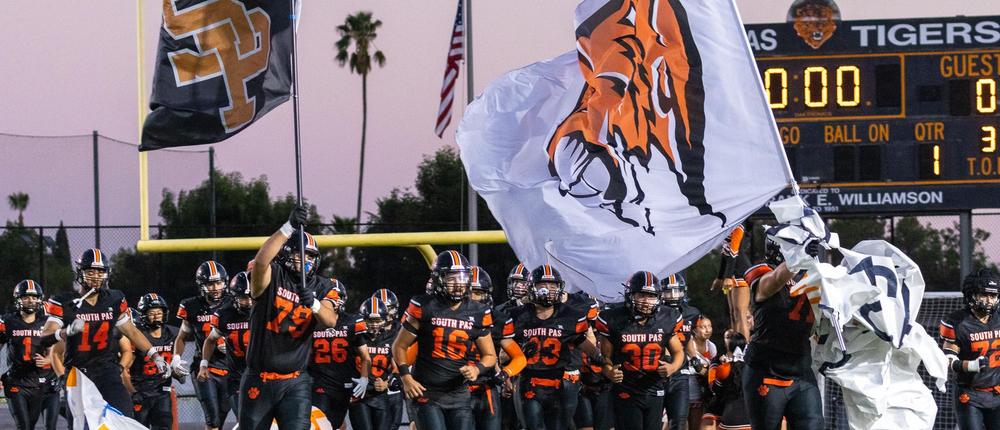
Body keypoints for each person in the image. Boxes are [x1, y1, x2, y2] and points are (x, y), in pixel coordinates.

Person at [239, 207, 340, 429]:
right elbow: (262, 262)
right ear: (286, 253)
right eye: (299, 254)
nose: (305, 260)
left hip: (295, 380)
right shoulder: (273, 275)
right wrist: (288, 227)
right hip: (259, 377)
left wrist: (313, 303)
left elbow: (330, 320)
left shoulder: (323, 286)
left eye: (311, 256)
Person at [40, 248, 170, 418]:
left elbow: (131, 330)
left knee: (124, 416)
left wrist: (155, 355)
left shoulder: (114, 299)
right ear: (80, 273)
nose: (96, 276)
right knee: (82, 423)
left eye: (100, 272)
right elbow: (44, 337)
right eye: (90, 271)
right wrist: (64, 332)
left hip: (107, 370)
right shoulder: (65, 302)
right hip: (78, 371)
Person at [392, 250, 498, 430]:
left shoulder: (478, 311)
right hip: (427, 392)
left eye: (462, 278)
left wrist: (476, 368)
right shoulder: (425, 306)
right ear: (438, 279)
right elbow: (399, 346)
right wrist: (406, 377)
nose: (458, 284)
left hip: (459, 393)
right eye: (451, 278)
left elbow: (490, 355)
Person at [740, 234, 823, 430]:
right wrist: (795, 259)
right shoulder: (762, 272)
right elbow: (774, 280)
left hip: (801, 371)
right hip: (766, 370)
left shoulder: (813, 276)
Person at [509, 264, 603, 430]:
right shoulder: (517, 315)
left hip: (560, 383)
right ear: (531, 287)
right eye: (542, 285)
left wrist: (604, 362)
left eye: (552, 286)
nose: (548, 290)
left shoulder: (570, 315)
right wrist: (517, 355)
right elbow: (503, 353)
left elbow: (587, 345)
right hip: (528, 382)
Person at [596, 271, 685, 430]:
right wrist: (609, 371)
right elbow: (605, 356)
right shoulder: (614, 319)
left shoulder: (666, 318)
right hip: (626, 387)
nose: (646, 301)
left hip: (654, 386)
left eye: (651, 296)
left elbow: (678, 352)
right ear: (630, 295)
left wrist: (672, 367)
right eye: (641, 295)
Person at [173, 260, 233, 430]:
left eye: (219, 282)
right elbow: (182, 337)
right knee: (212, 419)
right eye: (211, 284)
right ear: (202, 285)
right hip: (205, 369)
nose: (216, 288)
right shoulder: (191, 306)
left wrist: (230, 344)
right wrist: (176, 358)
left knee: (219, 419)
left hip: (231, 370)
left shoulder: (233, 303)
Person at [467, 266, 527, 430]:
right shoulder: (442, 316)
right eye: (469, 291)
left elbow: (519, 358)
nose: (472, 297)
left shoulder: (498, 319)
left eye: (478, 293)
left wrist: (504, 375)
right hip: (452, 388)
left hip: (485, 386)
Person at [940, 268, 1000, 430]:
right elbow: (948, 359)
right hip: (970, 395)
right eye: (984, 295)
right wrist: (970, 365)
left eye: (993, 295)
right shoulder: (958, 322)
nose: (989, 300)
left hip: (997, 392)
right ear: (971, 294)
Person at [310, 278, 371, 428]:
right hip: (319, 383)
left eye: (336, 296)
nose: (334, 301)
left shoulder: (352, 322)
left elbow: (365, 357)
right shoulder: (311, 321)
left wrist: (364, 378)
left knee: (336, 424)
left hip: (343, 384)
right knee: (322, 424)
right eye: (329, 297)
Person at [1, 280, 59, 430]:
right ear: (18, 299)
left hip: (37, 383)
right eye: (26, 297)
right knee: (24, 427)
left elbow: (58, 346)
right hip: (16, 381)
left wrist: (48, 359)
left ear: (40, 299)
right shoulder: (8, 321)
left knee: (31, 426)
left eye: (34, 297)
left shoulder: (47, 322)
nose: (30, 301)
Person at [198, 271, 254, 417]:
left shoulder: (264, 311)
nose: (248, 302)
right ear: (234, 296)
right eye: (243, 298)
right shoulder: (225, 314)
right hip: (237, 376)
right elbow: (210, 340)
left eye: (251, 297)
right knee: (244, 419)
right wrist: (204, 364)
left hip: (261, 374)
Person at [121, 293, 179, 430]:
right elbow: (124, 370)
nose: (156, 316)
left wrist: (177, 370)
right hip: (141, 392)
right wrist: (132, 392)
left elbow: (174, 359)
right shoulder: (139, 337)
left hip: (162, 391)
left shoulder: (173, 333)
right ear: (143, 315)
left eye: (159, 312)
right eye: (152, 313)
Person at [350, 297, 399, 430]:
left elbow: (399, 369)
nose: (374, 324)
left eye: (378, 320)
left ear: (385, 319)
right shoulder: (355, 336)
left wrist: (387, 384)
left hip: (380, 396)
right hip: (359, 396)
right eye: (370, 320)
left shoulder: (392, 338)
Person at [661, 273, 701, 430]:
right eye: (668, 291)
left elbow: (688, 335)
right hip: (658, 370)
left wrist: (694, 357)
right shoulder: (656, 313)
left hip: (680, 371)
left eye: (676, 291)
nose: (672, 296)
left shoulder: (691, 313)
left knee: (679, 419)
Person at [495, 263, 531, 430]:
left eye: (522, 282)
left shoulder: (538, 310)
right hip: (506, 370)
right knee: (507, 421)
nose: (517, 286)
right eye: (515, 282)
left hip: (532, 370)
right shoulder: (501, 310)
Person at [702, 331, 750, 430]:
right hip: (750, 414)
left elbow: (715, 389)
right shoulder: (753, 367)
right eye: (727, 336)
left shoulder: (724, 368)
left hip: (731, 414)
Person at [371, 288, 405, 429]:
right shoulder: (367, 331)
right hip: (370, 389)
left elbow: (408, 362)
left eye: (389, 308)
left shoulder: (402, 330)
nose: (386, 312)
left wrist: (389, 382)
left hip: (394, 389)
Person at [687, 316, 717, 430]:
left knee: (696, 424)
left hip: (700, 392)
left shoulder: (712, 346)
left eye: (710, 326)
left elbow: (712, 368)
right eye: (703, 327)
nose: (708, 330)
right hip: (685, 387)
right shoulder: (688, 344)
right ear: (694, 330)